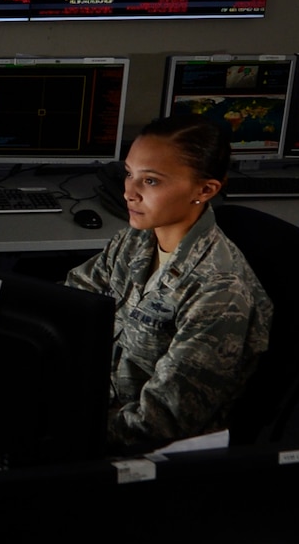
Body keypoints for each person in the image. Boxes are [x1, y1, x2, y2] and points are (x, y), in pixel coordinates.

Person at [64, 114, 272, 450]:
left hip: (144, 450)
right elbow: (70, 305)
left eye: (151, 181)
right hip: (95, 403)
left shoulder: (219, 289)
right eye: (129, 174)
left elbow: (161, 422)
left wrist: (64, 425)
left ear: (204, 190)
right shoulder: (134, 240)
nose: (129, 192)